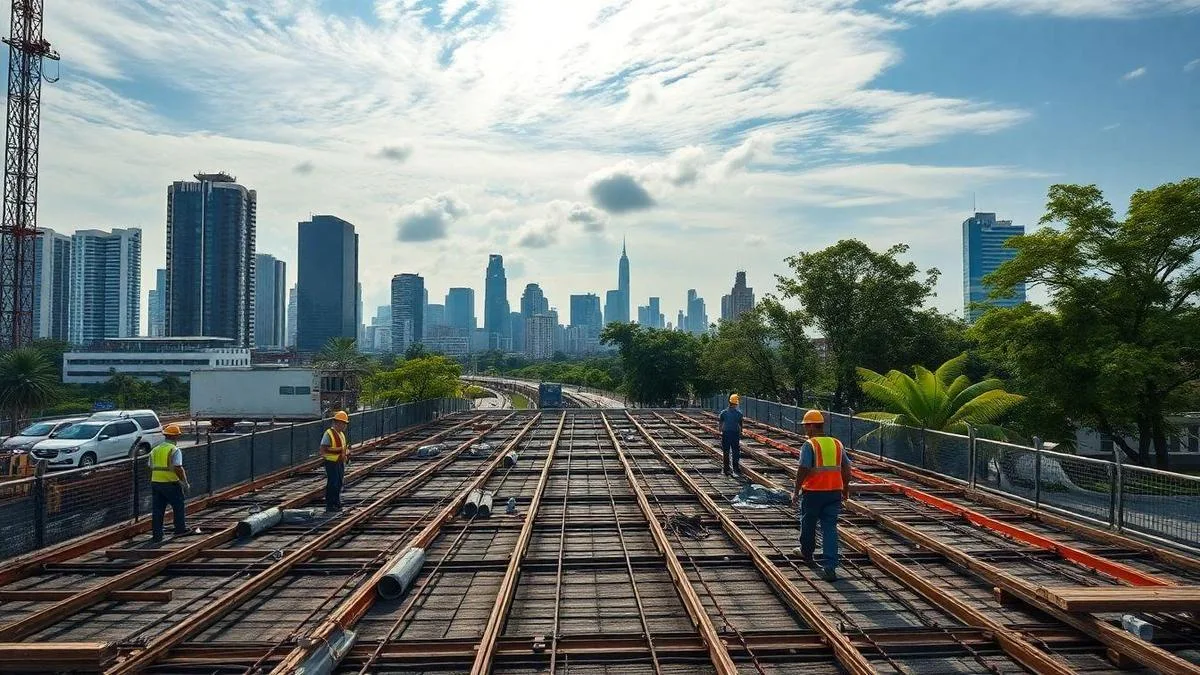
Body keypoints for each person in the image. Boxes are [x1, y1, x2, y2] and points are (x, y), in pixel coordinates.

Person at [791, 410, 851, 581]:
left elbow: (803, 468)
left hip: (814, 493)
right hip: (834, 493)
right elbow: (847, 468)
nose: (804, 430)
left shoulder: (810, 445)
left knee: (808, 524)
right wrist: (845, 488)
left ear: (811, 426)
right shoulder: (837, 443)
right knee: (830, 529)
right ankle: (830, 565)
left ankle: (807, 554)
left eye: (805, 426)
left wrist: (796, 491)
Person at [149, 423, 191, 543]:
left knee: (158, 510)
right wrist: (185, 482)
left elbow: (150, 466)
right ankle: (180, 529)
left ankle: (157, 535)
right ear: (175, 437)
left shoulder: (155, 450)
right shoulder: (174, 450)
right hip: (171, 483)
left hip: (156, 483)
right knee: (178, 506)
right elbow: (178, 467)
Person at [321, 411, 350, 512]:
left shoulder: (341, 434)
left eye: (345, 423)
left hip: (340, 462)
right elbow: (323, 449)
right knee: (333, 483)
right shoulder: (328, 434)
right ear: (337, 423)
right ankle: (330, 505)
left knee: (339, 483)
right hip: (331, 462)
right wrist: (339, 451)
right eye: (343, 423)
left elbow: (343, 448)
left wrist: (345, 454)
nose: (345, 426)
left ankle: (337, 503)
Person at [718, 394, 744, 477]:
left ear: (729, 402)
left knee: (726, 451)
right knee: (735, 451)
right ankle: (736, 469)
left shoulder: (723, 413)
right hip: (735, 434)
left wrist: (720, 432)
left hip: (726, 434)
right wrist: (740, 433)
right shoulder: (739, 414)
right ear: (736, 404)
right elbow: (740, 426)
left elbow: (720, 424)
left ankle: (726, 470)